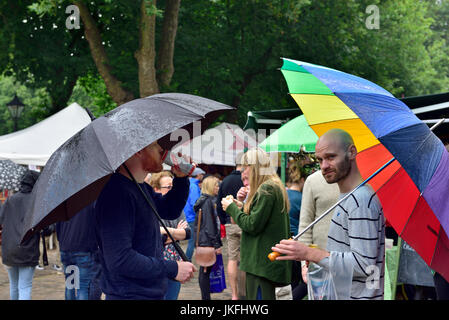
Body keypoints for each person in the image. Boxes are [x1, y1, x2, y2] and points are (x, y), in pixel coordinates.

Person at [272, 128, 386, 300]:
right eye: (320, 160)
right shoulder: (348, 197)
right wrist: (317, 255)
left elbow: (365, 266)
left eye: (331, 157)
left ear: (352, 152)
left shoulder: (361, 200)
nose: (324, 166)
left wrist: (311, 254)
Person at [94, 140, 196, 300]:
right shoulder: (117, 194)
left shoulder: (140, 187)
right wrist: (172, 268)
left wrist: (181, 179)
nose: (162, 149)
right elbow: (120, 259)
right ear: (138, 151)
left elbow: (169, 209)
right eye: (155, 145)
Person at [221, 148, 292, 300]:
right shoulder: (274, 185)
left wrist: (231, 208)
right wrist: (240, 206)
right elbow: (258, 219)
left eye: (245, 167)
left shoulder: (266, 188)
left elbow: (252, 225)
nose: (243, 172)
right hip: (265, 264)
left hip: (261, 266)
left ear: (255, 167)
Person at [146, 171, 191, 300]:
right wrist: (176, 232)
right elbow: (155, 236)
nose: (172, 190)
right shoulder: (151, 209)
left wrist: (166, 232)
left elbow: (187, 233)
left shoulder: (176, 209)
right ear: (156, 189)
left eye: (173, 186)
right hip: (157, 263)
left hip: (176, 262)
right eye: (168, 187)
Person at [0, 170, 42, 300]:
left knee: (14, 285)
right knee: (24, 286)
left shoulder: (9, 201)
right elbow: (47, 229)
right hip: (27, 251)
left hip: (9, 250)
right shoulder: (37, 202)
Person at [56, 202, 102, 300]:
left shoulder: (65, 202)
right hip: (83, 249)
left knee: (70, 285)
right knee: (83, 287)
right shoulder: (90, 202)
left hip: (66, 248)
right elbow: (96, 227)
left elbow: (58, 227)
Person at [215, 154, 244, 300]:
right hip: (244, 220)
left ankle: (234, 295)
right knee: (245, 258)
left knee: (232, 258)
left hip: (229, 222)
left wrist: (224, 220)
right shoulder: (247, 179)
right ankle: (244, 292)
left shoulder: (225, 181)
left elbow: (219, 205)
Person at [194, 176, 222, 300]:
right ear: (210, 187)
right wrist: (216, 244)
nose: (218, 187)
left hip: (204, 239)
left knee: (205, 270)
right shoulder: (208, 202)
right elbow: (210, 226)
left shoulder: (206, 200)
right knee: (205, 270)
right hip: (207, 241)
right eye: (216, 185)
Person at [184, 167, 205, 261]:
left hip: (188, 215)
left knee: (191, 240)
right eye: (202, 174)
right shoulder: (194, 186)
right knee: (192, 241)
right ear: (198, 175)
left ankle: (187, 259)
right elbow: (195, 203)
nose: (203, 176)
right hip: (192, 217)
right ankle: (187, 259)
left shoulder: (190, 184)